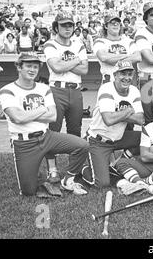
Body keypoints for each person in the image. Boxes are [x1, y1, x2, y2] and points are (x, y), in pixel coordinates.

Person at [0, 53, 89, 196]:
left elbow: (52, 116)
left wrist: (27, 115)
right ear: (18, 67)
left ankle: (68, 179)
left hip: (47, 137)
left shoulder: (43, 88)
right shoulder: (7, 90)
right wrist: (41, 110)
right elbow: (17, 117)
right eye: (28, 66)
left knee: (82, 145)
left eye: (35, 67)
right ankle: (34, 175)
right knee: (28, 191)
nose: (32, 70)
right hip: (24, 143)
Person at [81, 60, 144, 188]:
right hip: (98, 141)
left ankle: (119, 161)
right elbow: (108, 120)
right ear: (115, 75)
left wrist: (118, 114)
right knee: (102, 183)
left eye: (129, 74)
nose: (126, 78)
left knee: (145, 137)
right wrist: (128, 111)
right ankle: (82, 169)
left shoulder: (134, 90)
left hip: (118, 138)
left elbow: (141, 119)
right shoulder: (106, 88)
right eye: (122, 74)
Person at [43, 11, 89, 184]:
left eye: (70, 25)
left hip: (76, 91)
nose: (68, 28)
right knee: (52, 130)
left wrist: (66, 65)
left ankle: (73, 170)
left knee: (75, 131)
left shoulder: (79, 44)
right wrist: (76, 61)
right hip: (57, 90)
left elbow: (84, 71)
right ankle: (52, 170)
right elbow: (56, 67)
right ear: (56, 27)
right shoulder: (50, 44)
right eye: (64, 25)